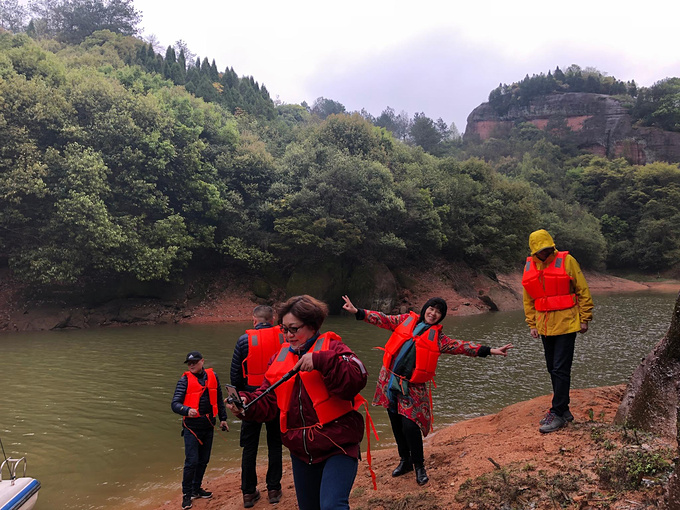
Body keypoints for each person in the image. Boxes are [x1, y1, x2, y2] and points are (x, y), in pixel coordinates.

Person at [342, 295, 512, 486]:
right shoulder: (405, 320)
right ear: (425, 309)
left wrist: (490, 350)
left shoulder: (439, 339)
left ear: (441, 317)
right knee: (396, 423)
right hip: (389, 380)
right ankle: (404, 461)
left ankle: (419, 466)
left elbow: (462, 346)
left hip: (412, 386)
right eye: (431, 309)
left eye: (438, 312)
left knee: (410, 425)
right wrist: (358, 312)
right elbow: (383, 319)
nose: (433, 313)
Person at [226, 295, 368, 510]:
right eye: (284, 329)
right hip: (301, 451)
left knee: (332, 506)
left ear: (312, 326)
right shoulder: (278, 358)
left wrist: (321, 361)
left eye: (294, 329)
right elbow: (268, 400)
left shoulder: (335, 349)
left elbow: (357, 378)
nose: (288, 335)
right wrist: (245, 404)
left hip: (338, 444)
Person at [522, 229, 593, 434]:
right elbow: (529, 299)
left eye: (546, 249)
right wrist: (532, 324)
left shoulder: (567, 260)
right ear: (534, 250)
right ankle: (565, 409)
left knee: (561, 368)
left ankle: (558, 412)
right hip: (544, 325)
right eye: (540, 250)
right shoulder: (529, 266)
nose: (544, 253)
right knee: (552, 368)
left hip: (567, 323)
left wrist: (585, 317)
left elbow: (583, 290)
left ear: (551, 246)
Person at [230, 306, 284, 507]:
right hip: (276, 398)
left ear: (254, 320)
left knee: (249, 447)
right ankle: (274, 489)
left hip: (250, 400)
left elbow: (235, 376)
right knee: (275, 444)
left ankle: (249, 493)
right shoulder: (284, 338)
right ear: (273, 320)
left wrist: (239, 402)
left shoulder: (244, 341)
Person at [171, 351, 229, 510]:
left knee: (204, 460)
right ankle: (186, 494)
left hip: (209, 425)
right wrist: (186, 410)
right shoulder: (184, 381)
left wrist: (223, 419)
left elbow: (218, 398)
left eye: (194, 362)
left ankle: (196, 489)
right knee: (191, 462)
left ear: (202, 361)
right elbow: (175, 404)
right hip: (192, 428)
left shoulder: (213, 376)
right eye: (189, 363)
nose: (191, 365)